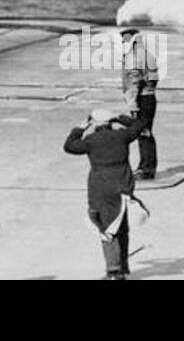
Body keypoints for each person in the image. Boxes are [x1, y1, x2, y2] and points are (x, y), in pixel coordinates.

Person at [63, 106, 147, 279]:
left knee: (106, 229)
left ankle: (114, 271)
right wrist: (120, 118)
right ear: (110, 123)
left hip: (101, 187)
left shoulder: (91, 140)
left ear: (95, 124)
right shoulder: (122, 136)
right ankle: (122, 267)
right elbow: (140, 124)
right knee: (122, 227)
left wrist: (79, 129)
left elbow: (69, 146)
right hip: (123, 183)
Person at [120, 29, 160, 180]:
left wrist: (132, 104)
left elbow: (134, 82)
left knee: (143, 134)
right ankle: (147, 167)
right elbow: (153, 78)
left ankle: (145, 169)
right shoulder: (148, 55)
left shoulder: (134, 57)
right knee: (146, 133)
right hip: (150, 97)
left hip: (140, 99)